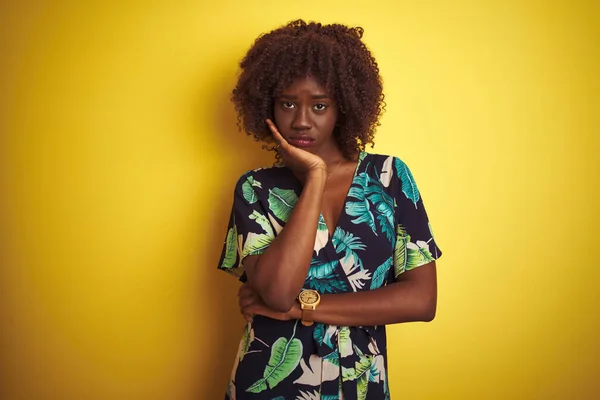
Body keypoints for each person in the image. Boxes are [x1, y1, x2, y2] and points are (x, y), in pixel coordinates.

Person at [217, 19, 442, 400]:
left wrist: (302, 308)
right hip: (271, 386)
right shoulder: (255, 188)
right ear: (267, 104)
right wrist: (317, 175)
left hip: (360, 384)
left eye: (319, 105)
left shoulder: (389, 178)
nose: (301, 120)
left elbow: (422, 300)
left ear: (345, 106)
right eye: (287, 103)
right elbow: (275, 293)